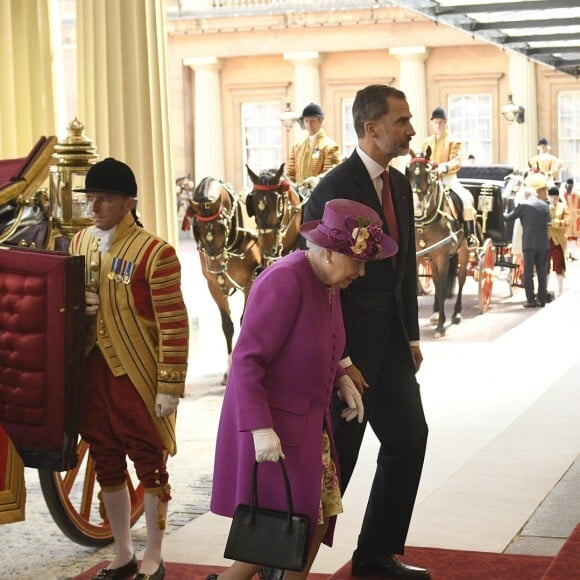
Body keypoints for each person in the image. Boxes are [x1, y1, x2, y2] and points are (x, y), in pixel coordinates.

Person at [205, 198, 397, 580]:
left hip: (308, 427)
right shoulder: (285, 279)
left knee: (312, 522)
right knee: (277, 533)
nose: (360, 272)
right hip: (274, 430)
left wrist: (341, 377)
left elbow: (324, 341)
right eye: (356, 261)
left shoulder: (326, 281)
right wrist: (260, 428)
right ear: (326, 253)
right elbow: (246, 361)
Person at [300, 84, 430, 578]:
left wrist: (413, 337)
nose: (410, 130)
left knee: (409, 438)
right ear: (371, 128)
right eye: (401, 121)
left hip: (392, 347)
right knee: (339, 465)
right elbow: (313, 278)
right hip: (347, 354)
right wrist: (339, 360)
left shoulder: (400, 185)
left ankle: (375, 556)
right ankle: (283, 564)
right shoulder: (332, 189)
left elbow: (405, 266)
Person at [70, 158, 190, 580]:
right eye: (90, 198)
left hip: (137, 375)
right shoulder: (79, 242)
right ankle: (122, 552)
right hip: (92, 372)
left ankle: (154, 554)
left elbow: (174, 323)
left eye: (104, 198)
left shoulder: (156, 253)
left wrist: (169, 385)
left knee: (149, 463)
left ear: (128, 203)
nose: (94, 206)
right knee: (105, 459)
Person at [423, 106, 478, 248]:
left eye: (441, 122)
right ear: (432, 123)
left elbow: (457, 160)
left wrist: (444, 167)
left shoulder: (454, 141)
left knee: (465, 200)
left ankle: (470, 235)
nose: (438, 125)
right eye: (435, 122)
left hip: (448, 179)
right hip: (430, 179)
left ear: (446, 123)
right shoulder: (426, 142)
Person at [505, 172, 551, 308]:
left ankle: (531, 300)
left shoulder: (523, 205)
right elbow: (549, 222)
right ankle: (542, 299)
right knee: (542, 272)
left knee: (528, 273)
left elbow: (509, 218)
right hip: (543, 244)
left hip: (529, 244)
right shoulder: (545, 206)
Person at [285, 102, 342, 188]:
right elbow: (290, 173)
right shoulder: (296, 146)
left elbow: (331, 174)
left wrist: (316, 181)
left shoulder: (330, 147)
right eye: (306, 121)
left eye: (312, 121)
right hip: (297, 195)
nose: (309, 124)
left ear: (321, 121)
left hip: (320, 195)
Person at [547, 186, 570, 296]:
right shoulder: (545, 206)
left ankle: (560, 289)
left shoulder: (563, 207)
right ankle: (545, 288)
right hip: (546, 239)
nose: (553, 199)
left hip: (558, 240)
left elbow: (567, 222)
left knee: (559, 264)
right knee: (544, 265)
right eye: (551, 196)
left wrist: (555, 223)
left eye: (555, 197)